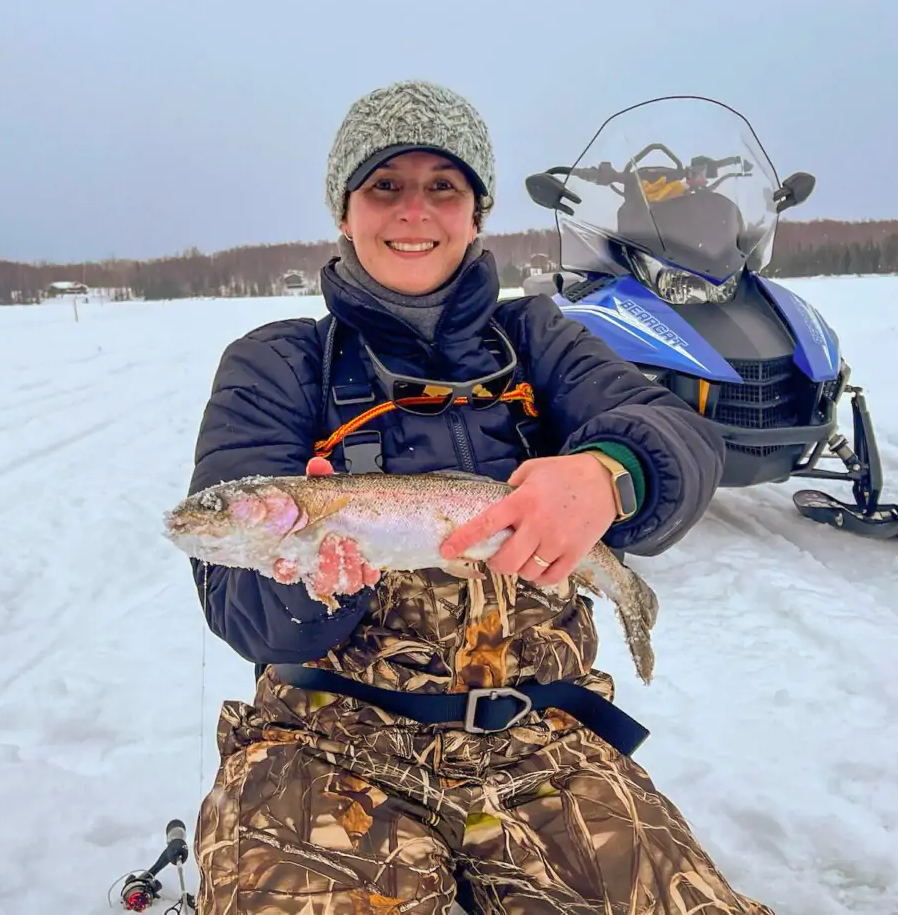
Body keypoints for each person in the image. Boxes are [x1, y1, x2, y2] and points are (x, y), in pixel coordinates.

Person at [185, 79, 774, 915]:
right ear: (343, 211)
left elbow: (677, 435)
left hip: (541, 741)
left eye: (443, 187)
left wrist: (608, 473)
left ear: (479, 211)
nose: (414, 212)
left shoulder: (537, 337)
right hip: (326, 743)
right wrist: (305, 585)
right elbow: (235, 607)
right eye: (384, 185)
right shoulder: (277, 363)